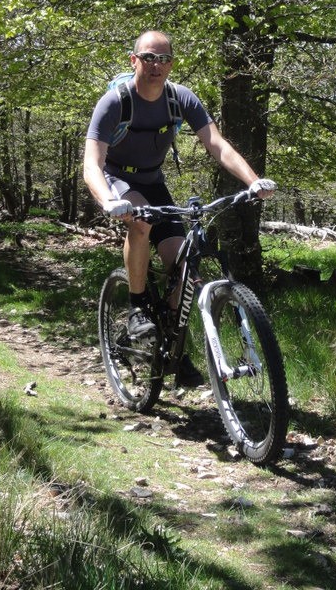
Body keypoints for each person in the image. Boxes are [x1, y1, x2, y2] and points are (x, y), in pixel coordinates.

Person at [83, 30, 275, 387]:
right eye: (149, 58)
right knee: (140, 223)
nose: (156, 66)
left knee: (185, 265)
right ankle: (137, 306)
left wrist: (252, 181)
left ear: (171, 63)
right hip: (118, 182)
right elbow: (92, 164)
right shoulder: (114, 102)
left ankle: (175, 350)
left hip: (153, 181)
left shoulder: (180, 99)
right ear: (134, 60)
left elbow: (217, 144)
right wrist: (109, 201)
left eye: (164, 59)